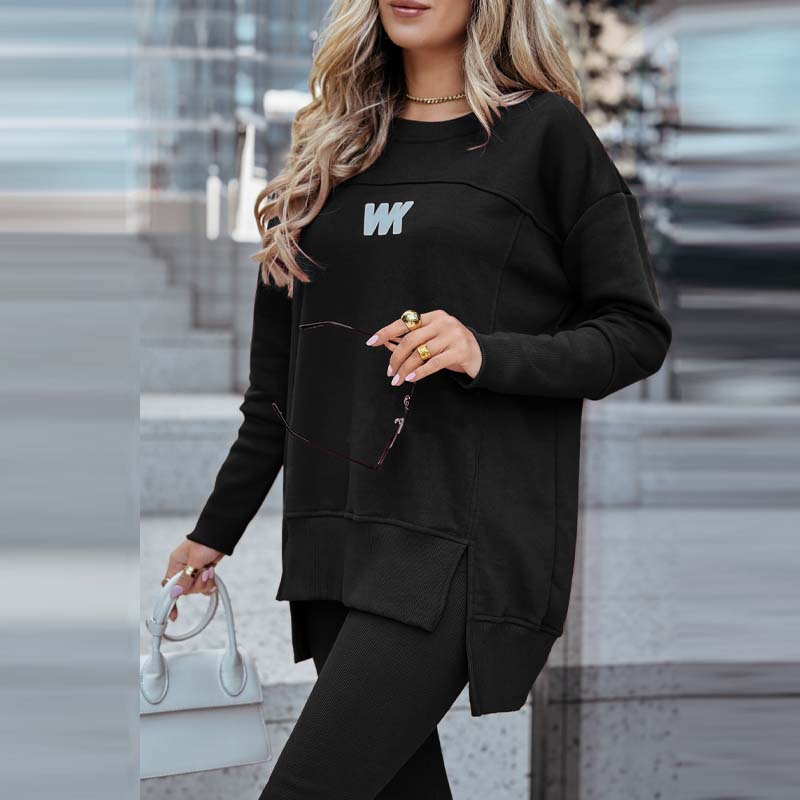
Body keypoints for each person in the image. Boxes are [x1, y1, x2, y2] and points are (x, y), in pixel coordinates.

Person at [160, 0, 672, 796]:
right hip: (333, 542)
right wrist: (213, 531)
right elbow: (278, 391)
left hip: (459, 536)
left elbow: (635, 331)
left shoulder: (544, 135)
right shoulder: (329, 148)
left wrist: (484, 352)